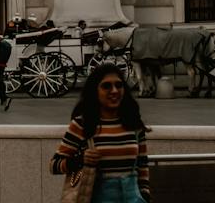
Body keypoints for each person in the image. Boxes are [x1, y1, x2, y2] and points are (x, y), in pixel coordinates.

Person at [51, 62, 151, 203]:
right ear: (94, 91)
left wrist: (145, 195)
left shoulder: (134, 124)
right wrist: (80, 160)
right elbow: (54, 165)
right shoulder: (81, 125)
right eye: (106, 86)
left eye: (119, 85)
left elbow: (142, 165)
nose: (114, 91)